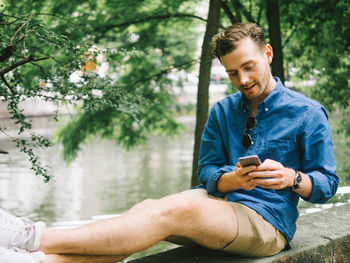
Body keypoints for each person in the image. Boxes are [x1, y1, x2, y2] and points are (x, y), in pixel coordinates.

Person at [1, 22, 338, 263]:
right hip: (222, 202)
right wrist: (229, 180)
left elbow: (327, 184)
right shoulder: (223, 110)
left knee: (173, 210)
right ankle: (40, 261)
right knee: (147, 210)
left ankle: (32, 237)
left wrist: (293, 179)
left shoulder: (307, 113)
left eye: (248, 67)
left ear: (267, 53)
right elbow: (206, 169)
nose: (242, 80)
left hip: (268, 223)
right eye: (232, 73)